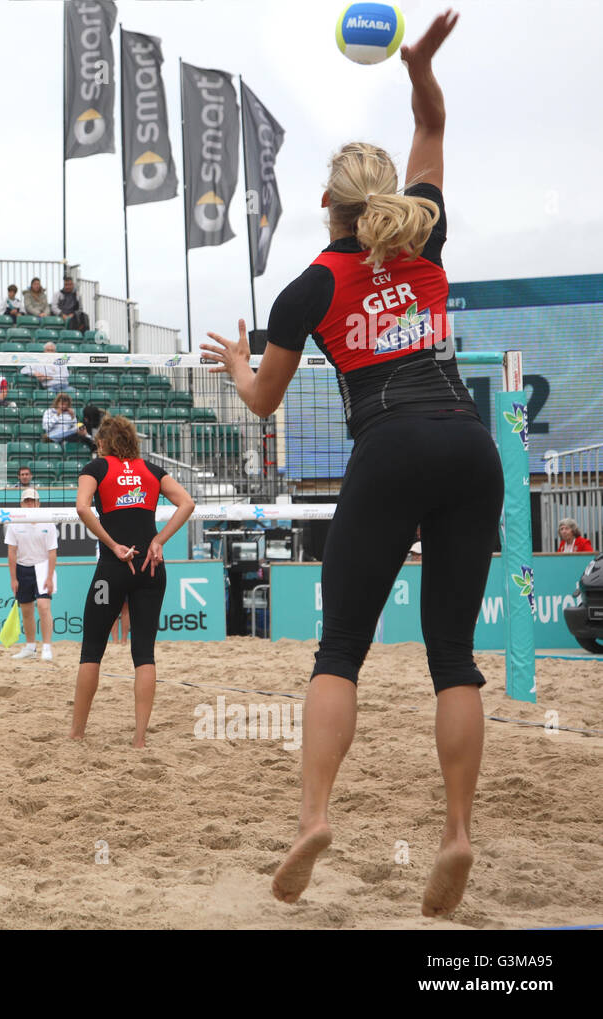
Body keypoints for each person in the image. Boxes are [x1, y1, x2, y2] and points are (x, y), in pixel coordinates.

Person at [199, 11, 492, 918]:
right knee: (454, 658)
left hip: (391, 445)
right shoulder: (427, 235)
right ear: (386, 199)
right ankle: (455, 834)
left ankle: (315, 820)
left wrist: (239, 361)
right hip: (467, 440)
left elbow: (262, 404)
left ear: (327, 208)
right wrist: (420, 68)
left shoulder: (311, 285)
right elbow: (435, 128)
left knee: (338, 654)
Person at [69, 415, 194, 749]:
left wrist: (112, 545)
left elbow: (82, 508)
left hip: (114, 566)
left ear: (103, 442)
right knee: (144, 655)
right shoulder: (151, 470)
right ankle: (139, 739)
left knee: (91, 652)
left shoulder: (95, 468)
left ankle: (77, 734)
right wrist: (159, 541)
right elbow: (188, 503)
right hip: (151, 566)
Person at [5, 487, 59, 661]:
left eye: (32, 500)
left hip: (43, 567)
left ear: (38, 503)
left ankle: (47, 647)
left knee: (43, 606)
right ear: (22, 504)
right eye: (26, 501)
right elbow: (11, 553)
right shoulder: (14, 523)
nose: (30, 503)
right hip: (23, 568)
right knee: (26, 610)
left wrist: (50, 577)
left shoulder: (48, 522)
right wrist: (13, 578)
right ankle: (30, 647)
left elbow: (52, 552)